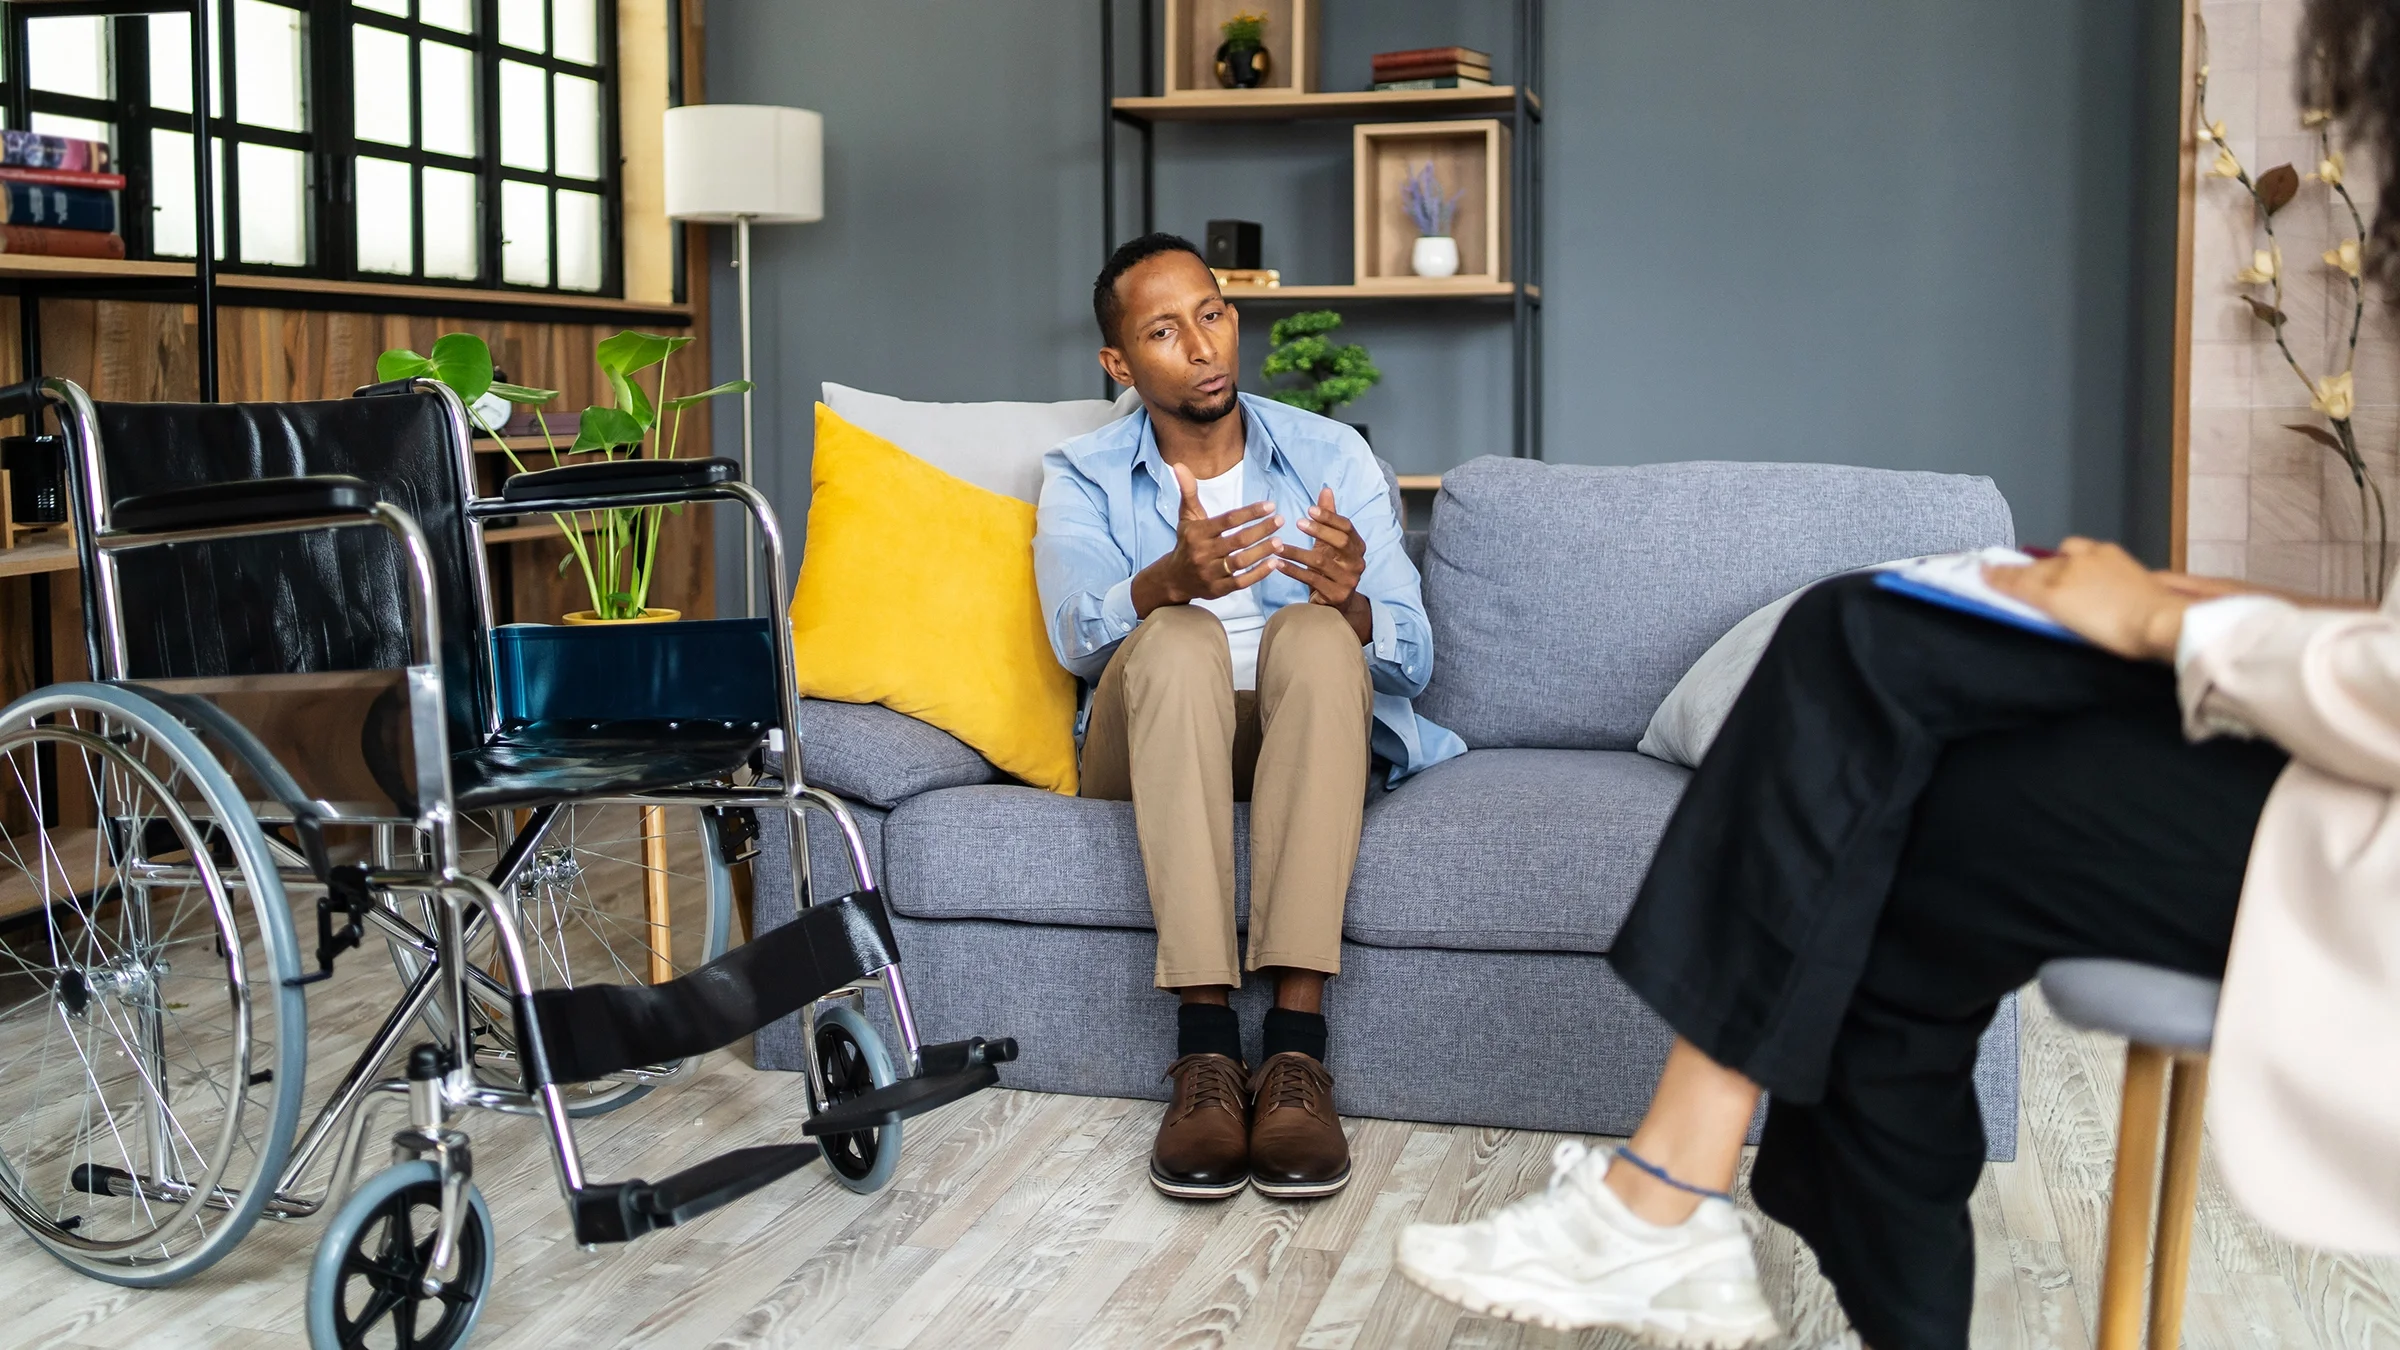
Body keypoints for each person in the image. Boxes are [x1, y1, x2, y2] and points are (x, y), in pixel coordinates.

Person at [1395, 6, 2400, 1340]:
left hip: (2361, 830)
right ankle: (1692, 1195)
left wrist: (2174, 628)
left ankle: (1665, 1194)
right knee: (1882, 734)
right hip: (2339, 761)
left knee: (1867, 669)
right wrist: (2182, 598)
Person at [1034, 233, 1464, 1201]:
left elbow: (1412, 656)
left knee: (1315, 636)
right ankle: (1207, 1055)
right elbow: (1075, 643)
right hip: (1150, 736)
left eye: (1214, 314)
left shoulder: (1330, 453)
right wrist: (1163, 584)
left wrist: (1352, 603)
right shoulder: (1084, 473)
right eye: (1163, 329)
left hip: (1301, 730)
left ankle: (1298, 1057)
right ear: (1119, 362)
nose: (1203, 346)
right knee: (1180, 638)